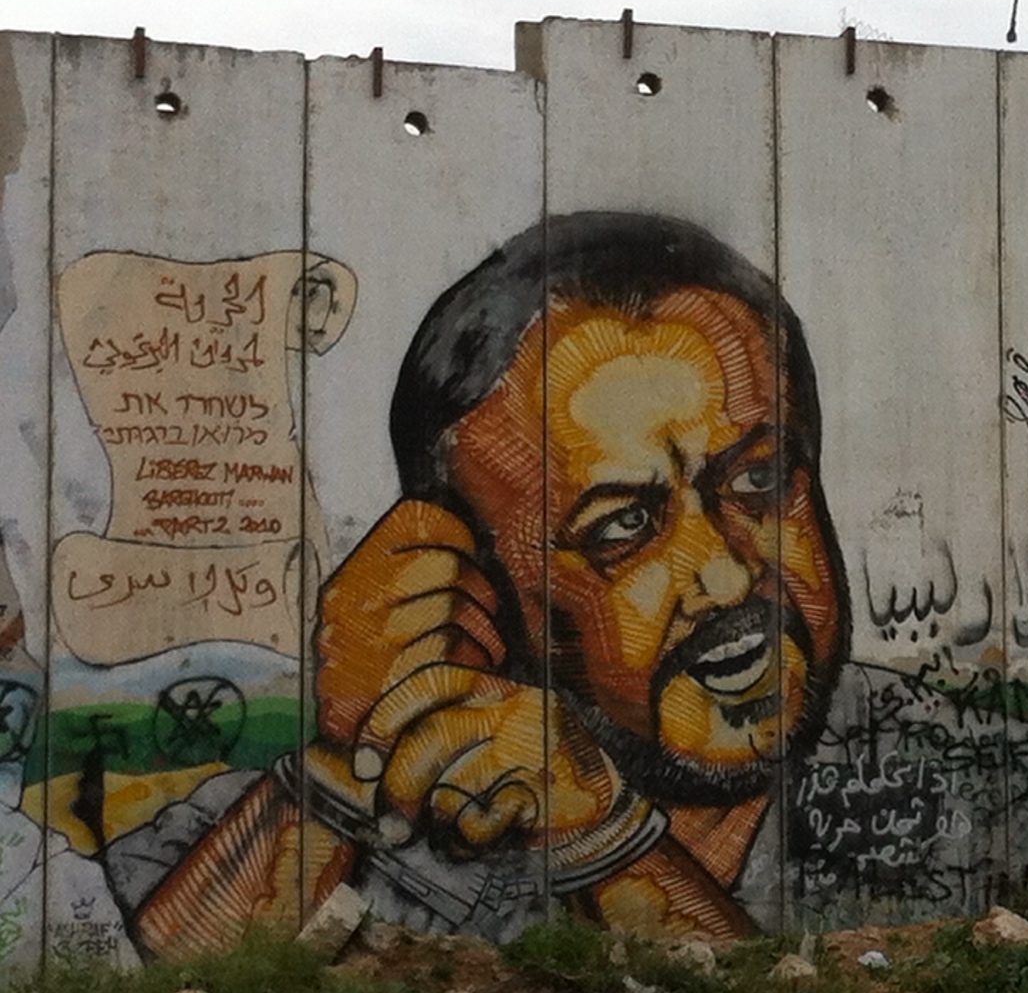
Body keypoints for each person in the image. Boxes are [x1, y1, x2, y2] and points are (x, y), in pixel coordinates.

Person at [117, 212, 849, 955]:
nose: (727, 574)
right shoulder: (261, 825)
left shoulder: (911, 761)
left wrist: (606, 840)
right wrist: (344, 768)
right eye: (622, 525)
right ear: (473, 581)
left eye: (759, 480)